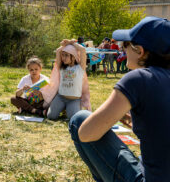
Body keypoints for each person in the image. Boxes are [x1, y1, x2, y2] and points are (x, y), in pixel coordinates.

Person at [69, 16, 170, 181]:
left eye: (126, 45)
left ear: (140, 50)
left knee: (79, 119)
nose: (123, 49)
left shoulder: (139, 79)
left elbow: (86, 133)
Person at [47, 40, 92, 120]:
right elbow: (58, 51)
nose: (63, 58)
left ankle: (67, 108)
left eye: (66, 55)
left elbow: (82, 50)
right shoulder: (61, 67)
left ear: (74, 56)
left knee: (73, 118)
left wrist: (72, 43)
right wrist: (65, 45)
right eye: (63, 55)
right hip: (60, 97)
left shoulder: (80, 68)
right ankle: (63, 107)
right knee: (51, 116)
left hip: (74, 100)